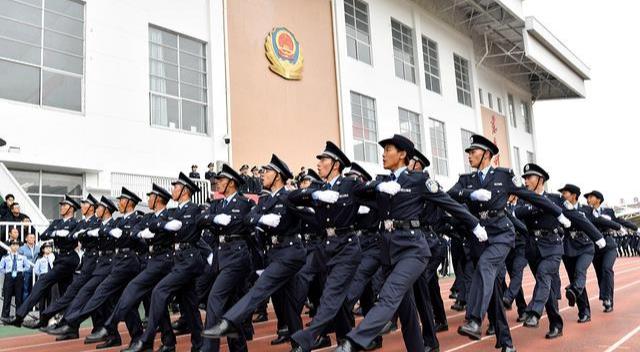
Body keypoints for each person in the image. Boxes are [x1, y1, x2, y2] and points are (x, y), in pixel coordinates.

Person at [336, 134, 484, 352]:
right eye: (384, 150)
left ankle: (353, 340)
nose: (383, 154)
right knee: (407, 314)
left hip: (412, 250)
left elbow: (449, 203)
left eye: (388, 149)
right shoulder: (383, 181)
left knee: (388, 296)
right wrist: (377, 187)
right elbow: (356, 192)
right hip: (388, 252)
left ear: (403, 154)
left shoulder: (419, 181)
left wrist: (474, 225)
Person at [203, 154, 307, 351]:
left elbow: (306, 217)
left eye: (267, 171)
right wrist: (263, 220)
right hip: (275, 253)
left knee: (260, 289)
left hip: (290, 251)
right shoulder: (266, 200)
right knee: (289, 305)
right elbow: (250, 218)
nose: (262, 175)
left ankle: (229, 321)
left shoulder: (289, 196)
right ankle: (300, 345)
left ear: (277, 176)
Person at [85, 184, 177, 350]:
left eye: (151, 197)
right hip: (148, 262)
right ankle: (159, 341)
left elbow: (162, 232)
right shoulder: (147, 218)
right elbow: (135, 232)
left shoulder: (169, 215)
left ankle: (126, 333)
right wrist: (142, 232)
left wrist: (150, 230)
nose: (148, 199)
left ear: (158, 200)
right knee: (149, 301)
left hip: (161, 262)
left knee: (146, 298)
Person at [124, 172, 207, 352]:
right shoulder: (174, 211)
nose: (173, 190)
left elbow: (199, 236)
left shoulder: (195, 209)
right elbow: (156, 225)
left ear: (185, 190)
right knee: (189, 304)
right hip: (178, 259)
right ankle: (196, 344)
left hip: (189, 259)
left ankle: (147, 339)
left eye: (176, 187)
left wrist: (209, 255)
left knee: (159, 291)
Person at [6, 194, 80, 327]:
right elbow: (44, 234)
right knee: (66, 292)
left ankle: (20, 316)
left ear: (71, 208)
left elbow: (72, 238)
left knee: (43, 281)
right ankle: (70, 325)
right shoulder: (57, 222)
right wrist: (58, 233)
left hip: (69, 259)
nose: (61, 207)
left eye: (64, 205)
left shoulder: (75, 223)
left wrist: (60, 233)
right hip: (59, 258)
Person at [557, 184, 607, 323]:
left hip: (586, 246)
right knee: (575, 279)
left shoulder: (587, 210)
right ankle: (583, 311)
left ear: (574, 195)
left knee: (580, 272)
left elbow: (595, 223)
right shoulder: (560, 208)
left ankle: (575, 293)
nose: (563, 195)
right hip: (568, 247)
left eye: (565, 193)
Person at [584, 190, 638, 313]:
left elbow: (619, 220)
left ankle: (607, 298)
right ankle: (607, 299)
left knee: (607, 269)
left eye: (591, 197)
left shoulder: (608, 211)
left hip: (609, 244)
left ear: (598, 199)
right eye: (587, 198)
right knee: (600, 274)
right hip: (595, 245)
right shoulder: (586, 212)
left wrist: (633, 227)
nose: (588, 199)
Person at [0, 239, 30, 320]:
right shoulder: (5, 257)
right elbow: (1, 268)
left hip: (19, 276)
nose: (15, 246)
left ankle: (19, 316)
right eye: (13, 244)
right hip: (9, 276)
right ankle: (5, 316)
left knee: (18, 297)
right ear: (10, 246)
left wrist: (20, 271)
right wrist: (7, 272)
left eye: (17, 245)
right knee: (7, 296)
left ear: (19, 246)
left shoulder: (22, 257)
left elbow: (27, 266)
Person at [18, 233, 39, 301]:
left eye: (33, 238)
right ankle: (25, 304)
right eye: (30, 237)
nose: (32, 239)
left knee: (34, 288)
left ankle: (32, 304)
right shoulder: (21, 248)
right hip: (26, 271)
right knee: (25, 288)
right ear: (26, 239)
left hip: (35, 270)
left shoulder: (38, 248)